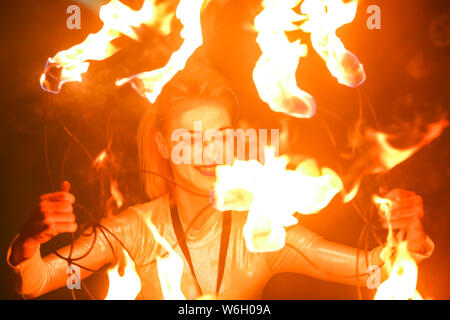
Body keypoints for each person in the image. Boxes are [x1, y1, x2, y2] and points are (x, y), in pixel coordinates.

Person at [7, 62, 434, 300]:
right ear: (162, 144)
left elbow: (375, 271)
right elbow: (35, 281)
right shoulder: (134, 230)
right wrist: (28, 242)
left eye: (221, 138)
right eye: (190, 140)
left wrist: (407, 238)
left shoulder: (263, 233)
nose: (209, 153)